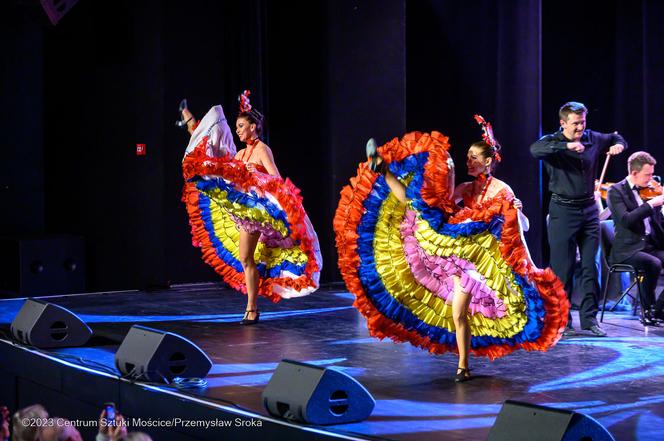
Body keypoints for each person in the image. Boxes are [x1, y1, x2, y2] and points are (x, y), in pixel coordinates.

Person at [334, 116, 568, 382]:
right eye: (467, 157)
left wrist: (516, 212)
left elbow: (523, 227)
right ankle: (463, 365)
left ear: (487, 161)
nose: (468, 161)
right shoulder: (464, 188)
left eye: (473, 157)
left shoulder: (502, 190)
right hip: (459, 259)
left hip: (484, 264)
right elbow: (438, 205)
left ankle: (463, 364)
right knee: (419, 210)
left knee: (468, 311)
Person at [178, 91, 322, 323]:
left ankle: (251, 308)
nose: (238, 130)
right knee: (246, 258)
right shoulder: (242, 153)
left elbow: (276, 179)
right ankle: (190, 123)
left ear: (254, 127)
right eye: (236, 126)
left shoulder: (263, 150)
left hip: (261, 213)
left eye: (242, 125)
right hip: (245, 215)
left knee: (252, 258)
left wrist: (258, 181)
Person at [530, 101, 627, 337]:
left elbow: (616, 138)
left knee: (590, 267)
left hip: (589, 211)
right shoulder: (552, 141)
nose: (580, 128)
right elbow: (535, 150)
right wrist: (567, 147)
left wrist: (618, 146)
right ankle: (562, 321)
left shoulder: (592, 138)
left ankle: (589, 320)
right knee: (562, 270)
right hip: (563, 212)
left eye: (583, 122)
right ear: (563, 123)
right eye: (575, 123)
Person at [607, 151, 664, 324]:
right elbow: (626, 220)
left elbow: (656, 223)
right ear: (634, 173)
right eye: (648, 175)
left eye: (652, 174)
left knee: (653, 260)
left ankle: (658, 309)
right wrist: (650, 205)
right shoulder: (615, 191)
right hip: (627, 249)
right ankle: (645, 310)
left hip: (649, 246)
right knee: (653, 264)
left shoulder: (650, 190)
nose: (651, 178)